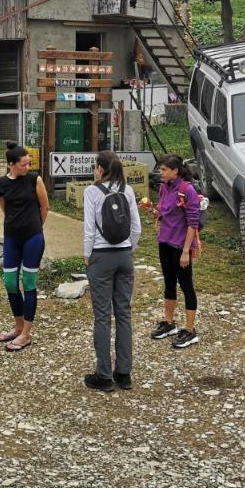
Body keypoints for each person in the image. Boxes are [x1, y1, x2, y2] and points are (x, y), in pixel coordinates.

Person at [81, 151, 141, 392]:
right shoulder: (127, 190)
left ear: (100, 169)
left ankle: (104, 375)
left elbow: (88, 230)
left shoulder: (92, 192)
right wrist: (128, 249)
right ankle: (124, 373)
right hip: (125, 256)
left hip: (101, 257)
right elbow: (136, 228)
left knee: (103, 316)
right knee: (124, 314)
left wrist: (87, 255)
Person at [0, 141, 48, 352]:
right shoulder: (1, 184)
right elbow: (5, 209)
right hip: (11, 238)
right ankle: (17, 327)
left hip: (33, 238)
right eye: (23, 164)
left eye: (29, 163)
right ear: (11, 165)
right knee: (10, 282)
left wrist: (35, 227)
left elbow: (45, 207)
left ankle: (26, 333)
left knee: (29, 282)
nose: (28, 168)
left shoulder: (35, 179)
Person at [150, 154, 202, 349]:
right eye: (160, 169)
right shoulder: (164, 187)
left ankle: (190, 330)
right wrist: (152, 210)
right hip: (164, 241)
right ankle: (169, 322)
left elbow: (192, 223)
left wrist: (186, 251)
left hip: (180, 245)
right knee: (169, 282)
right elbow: (163, 212)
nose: (160, 173)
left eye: (164, 169)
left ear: (175, 171)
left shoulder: (187, 190)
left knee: (186, 285)